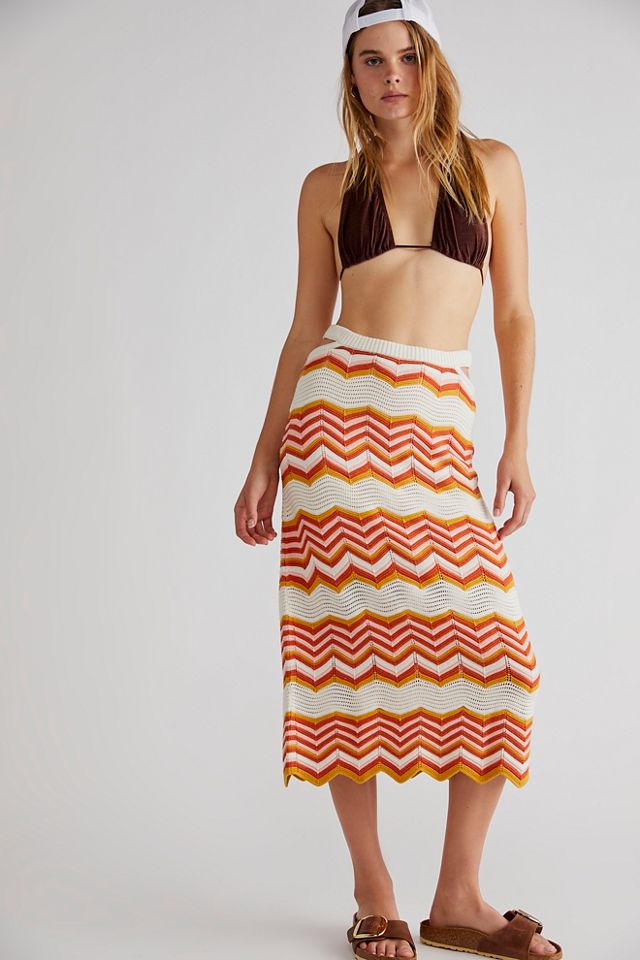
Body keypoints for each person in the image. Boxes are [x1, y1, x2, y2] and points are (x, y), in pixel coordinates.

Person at [234, 1, 562, 958]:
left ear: (434, 63)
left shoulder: (492, 166)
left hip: (438, 432)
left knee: (500, 660)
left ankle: (457, 897)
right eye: (372, 60)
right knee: (344, 661)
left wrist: (518, 442)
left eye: (408, 57)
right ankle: (374, 892)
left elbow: (515, 315)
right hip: (337, 431)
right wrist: (263, 457)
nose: (392, 77)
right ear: (351, 74)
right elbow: (306, 327)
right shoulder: (329, 186)